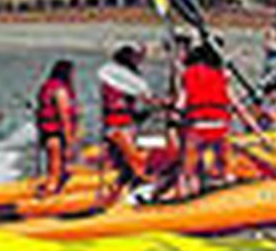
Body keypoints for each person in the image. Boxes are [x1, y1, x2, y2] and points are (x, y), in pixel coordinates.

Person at [171, 42, 254, 199]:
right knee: (224, 165)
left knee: (188, 171)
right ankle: (228, 191)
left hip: (198, 128)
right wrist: (253, 127)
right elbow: (237, 105)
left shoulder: (188, 75)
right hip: (220, 128)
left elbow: (181, 103)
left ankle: (185, 197)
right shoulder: (222, 76)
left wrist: (173, 122)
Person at [98, 44, 154, 202]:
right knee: (136, 163)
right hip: (117, 126)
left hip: (122, 124)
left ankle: (114, 195)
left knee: (126, 167)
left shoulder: (123, 78)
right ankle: (145, 191)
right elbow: (119, 103)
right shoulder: (116, 81)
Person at [34, 60, 79, 196]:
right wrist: (70, 143)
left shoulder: (47, 87)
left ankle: (53, 193)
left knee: (56, 171)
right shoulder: (60, 91)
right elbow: (64, 117)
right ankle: (47, 200)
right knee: (55, 173)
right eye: (72, 73)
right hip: (56, 137)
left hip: (47, 135)